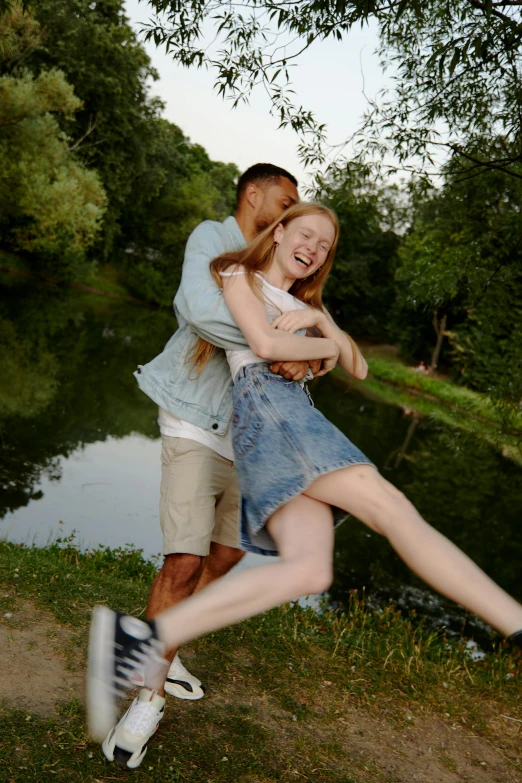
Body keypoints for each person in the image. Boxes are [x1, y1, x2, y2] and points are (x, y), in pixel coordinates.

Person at [88, 203, 522, 764]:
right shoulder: (237, 274)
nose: (314, 247)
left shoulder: (306, 307)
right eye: (306, 233)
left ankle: (140, 639)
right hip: (273, 414)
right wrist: (327, 348)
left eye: (325, 244)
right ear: (279, 232)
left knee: (310, 570)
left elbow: (360, 368)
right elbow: (267, 349)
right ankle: (515, 622)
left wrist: (324, 326)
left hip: (274, 426)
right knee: (392, 509)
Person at [100, 164, 316, 769]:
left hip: (252, 438)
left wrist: (306, 355)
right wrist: (273, 344)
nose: (294, 212)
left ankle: (166, 649)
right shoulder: (213, 240)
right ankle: (144, 696)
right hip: (196, 419)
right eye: (286, 199)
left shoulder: (287, 268)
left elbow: (315, 341)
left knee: (224, 558)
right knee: (186, 559)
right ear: (255, 194)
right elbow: (197, 311)